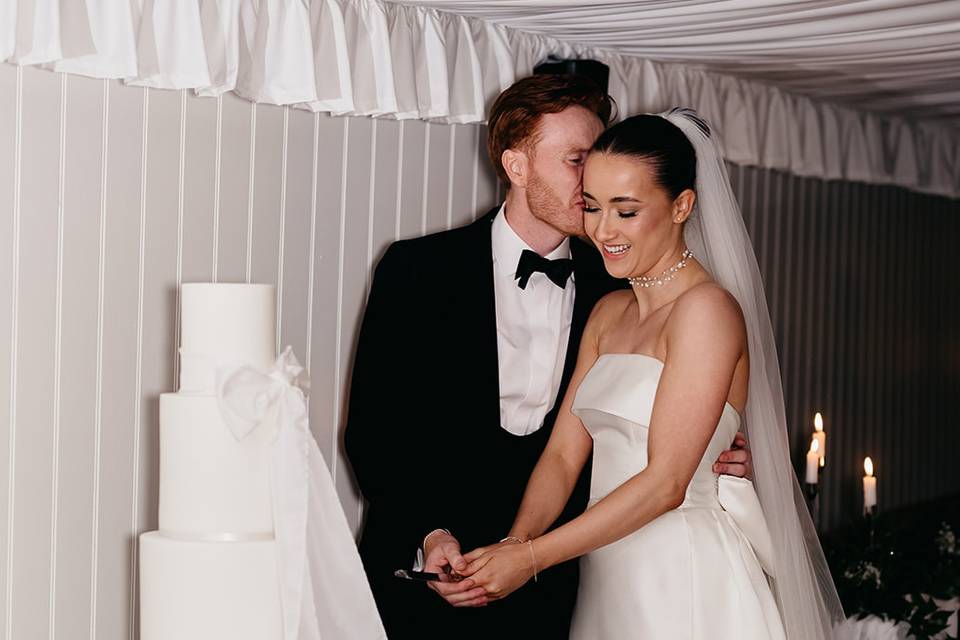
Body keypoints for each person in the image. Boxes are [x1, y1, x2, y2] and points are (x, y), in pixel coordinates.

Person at [343, 76, 753, 640]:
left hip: (569, 581)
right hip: (439, 579)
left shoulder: (614, 279)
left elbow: (667, 461)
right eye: (578, 161)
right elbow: (374, 431)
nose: (593, 187)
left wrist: (716, 447)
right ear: (517, 167)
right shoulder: (418, 271)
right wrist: (438, 533)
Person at [458, 110, 848, 639]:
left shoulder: (707, 311)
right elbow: (563, 455)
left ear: (682, 205)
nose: (602, 230)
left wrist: (532, 559)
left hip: (680, 571)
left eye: (627, 211)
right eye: (592, 207)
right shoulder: (608, 313)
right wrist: (514, 542)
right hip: (608, 572)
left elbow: (666, 484)